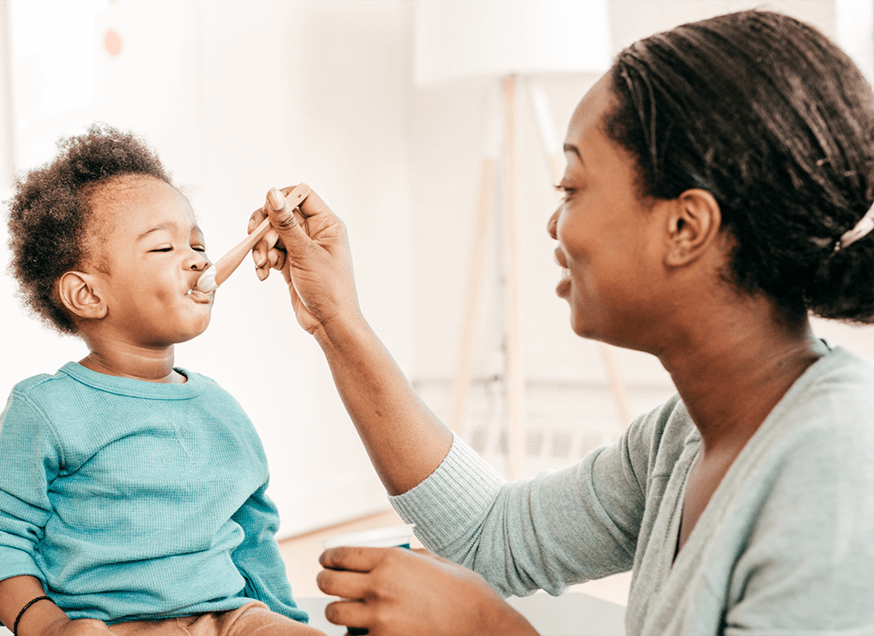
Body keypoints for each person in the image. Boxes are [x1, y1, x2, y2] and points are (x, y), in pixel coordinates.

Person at [249, 10, 873, 635]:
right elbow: (489, 533)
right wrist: (338, 321)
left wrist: (492, 630)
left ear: (686, 227)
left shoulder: (838, 465)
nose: (555, 225)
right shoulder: (680, 437)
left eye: (572, 188)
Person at [0, 125, 324, 636]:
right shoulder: (46, 409)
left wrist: (284, 623)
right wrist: (48, 627)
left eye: (198, 244)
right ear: (87, 295)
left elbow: (255, 537)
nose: (198, 259)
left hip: (234, 618)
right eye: (163, 249)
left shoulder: (222, 410)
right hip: (111, 627)